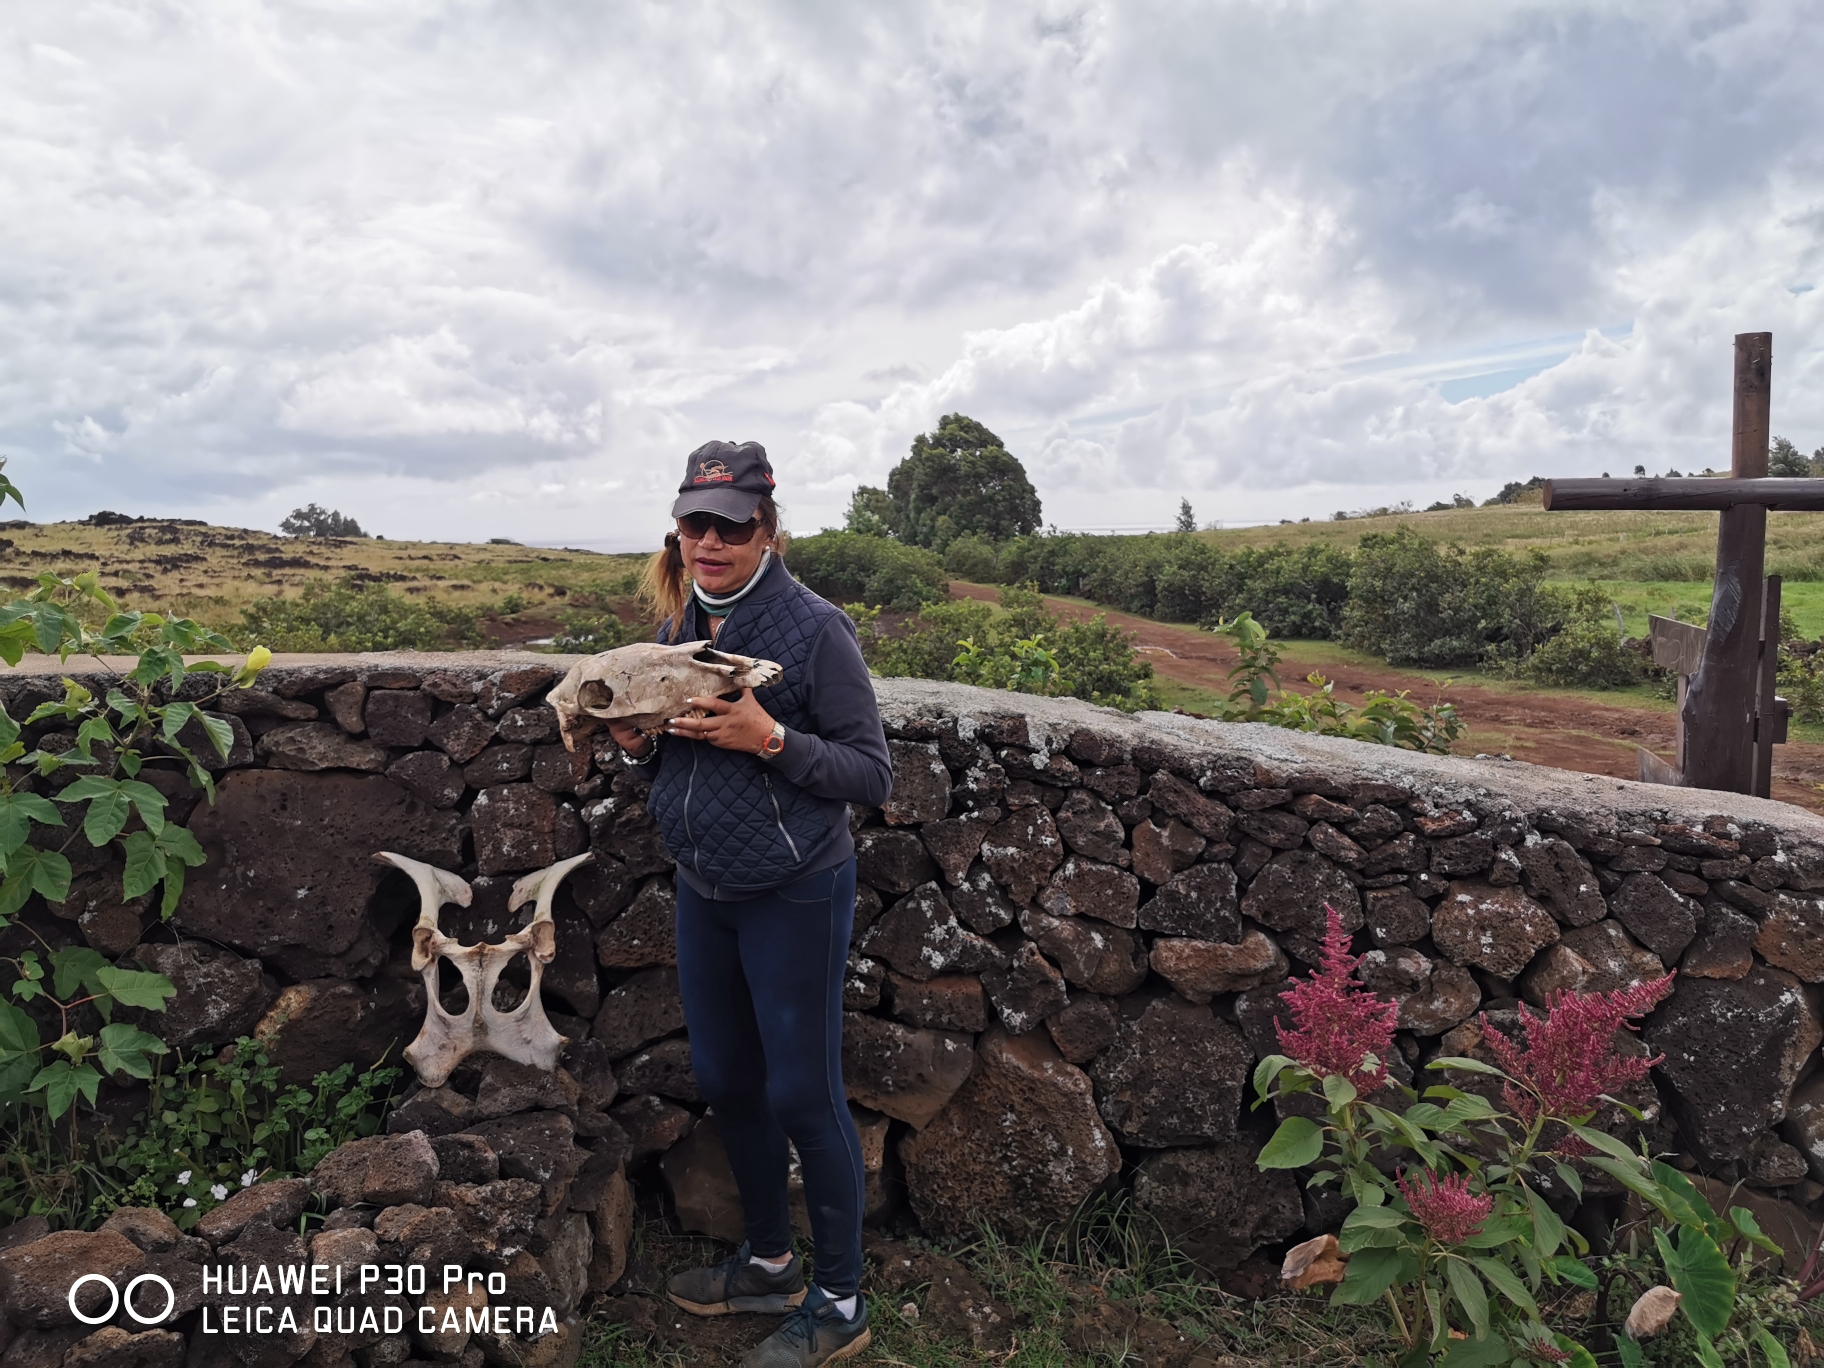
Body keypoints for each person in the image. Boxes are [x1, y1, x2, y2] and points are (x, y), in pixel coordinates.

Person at [606, 440, 892, 1368]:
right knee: (728, 1081)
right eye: (696, 522)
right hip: (706, 888)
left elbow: (871, 773)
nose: (711, 539)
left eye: (733, 524)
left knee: (803, 1092)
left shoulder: (816, 631)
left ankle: (842, 1298)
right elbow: (674, 754)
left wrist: (770, 740)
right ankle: (770, 1260)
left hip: (794, 890)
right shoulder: (680, 626)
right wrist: (636, 741)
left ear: (767, 529)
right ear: (677, 528)